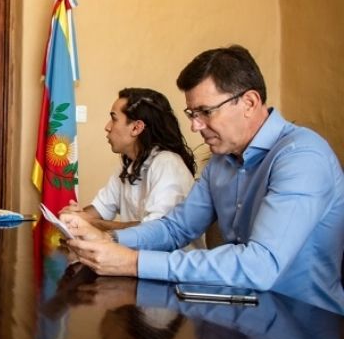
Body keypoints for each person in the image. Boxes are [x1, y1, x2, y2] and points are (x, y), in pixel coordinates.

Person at [64, 45, 344, 314]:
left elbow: (260, 265)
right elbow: (176, 229)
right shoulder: (221, 162)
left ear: (249, 102)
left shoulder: (302, 156)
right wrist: (109, 238)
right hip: (238, 312)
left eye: (205, 112)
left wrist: (134, 262)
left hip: (304, 325)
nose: (195, 126)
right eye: (192, 114)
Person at [60, 88, 203, 249]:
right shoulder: (128, 164)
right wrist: (76, 215)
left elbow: (155, 231)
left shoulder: (167, 163)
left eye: (114, 119)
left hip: (171, 268)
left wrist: (91, 223)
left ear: (136, 128)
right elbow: (99, 209)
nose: (107, 127)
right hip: (137, 261)